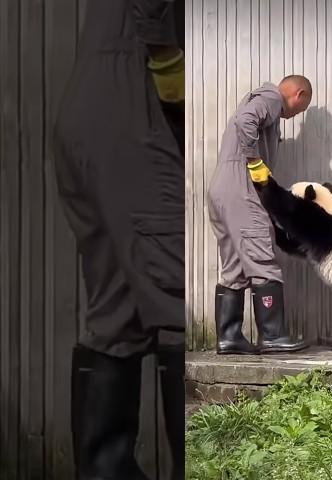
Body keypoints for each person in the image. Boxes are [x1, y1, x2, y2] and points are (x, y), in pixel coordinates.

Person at [52, 0, 185, 478]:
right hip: (134, 106)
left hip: (91, 108)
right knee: (181, 302)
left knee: (118, 311)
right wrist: (173, 78)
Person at [207, 76, 312, 354]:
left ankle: (229, 337)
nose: (294, 116)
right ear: (298, 95)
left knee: (235, 267)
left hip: (221, 190)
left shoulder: (260, 99)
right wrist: (254, 160)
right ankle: (273, 335)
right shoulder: (271, 98)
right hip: (241, 188)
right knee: (263, 259)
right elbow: (245, 122)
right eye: (300, 110)